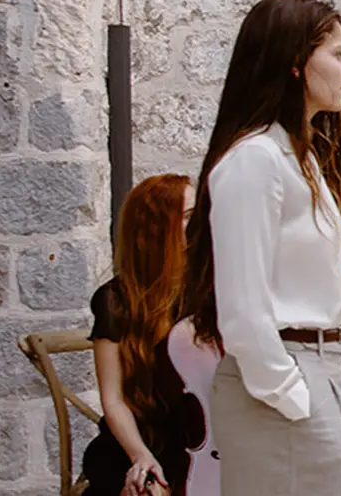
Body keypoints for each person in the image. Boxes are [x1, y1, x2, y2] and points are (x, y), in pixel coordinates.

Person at [180, 0, 341, 496]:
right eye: (339, 54)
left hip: (323, 370)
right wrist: (288, 393)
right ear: (297, 64)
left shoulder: (300, 159)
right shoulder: (256, 159)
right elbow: (241, 305)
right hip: (286, 375)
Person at [83, 174, 221, 496]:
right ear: (158, 227)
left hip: (197, 440)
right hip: (139, 442)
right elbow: (113, 399)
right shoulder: (116, 300)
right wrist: (140, 456)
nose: (200, 223)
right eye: (188, 216)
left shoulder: (209, 292)